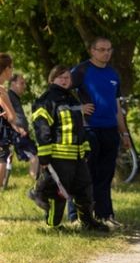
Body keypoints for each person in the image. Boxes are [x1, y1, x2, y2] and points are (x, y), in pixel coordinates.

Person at [31, 65, 109, 233]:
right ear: (52, 80)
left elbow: (80, 127)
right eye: (61, 77)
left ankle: (87, 222)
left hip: (77, 157)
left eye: (67, 77)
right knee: (58, 193)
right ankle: (53, 226)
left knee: (85, 189)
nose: (65, 80)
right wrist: (44, 155)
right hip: (59, 157)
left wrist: (86, 148)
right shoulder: (47, 100)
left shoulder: (72, 99)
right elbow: (42, 128)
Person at [72, 37, 131, 228]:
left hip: (110, 131)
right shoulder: (81, 71)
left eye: (109, 50)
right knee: (85, 175)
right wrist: (78, 108)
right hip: (88, 130)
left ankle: (105, 215)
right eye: (102, 49)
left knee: (106, 175)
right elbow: (60, 92)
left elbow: (117, 106)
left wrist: (124, 134)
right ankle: (78, 217)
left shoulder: (113, 73)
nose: (106, 53)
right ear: (92, 51)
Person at [0, 54, 29, 189]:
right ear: (6, 69)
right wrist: (12, 119)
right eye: (11, 68)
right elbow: (12, 116)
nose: (12, 71)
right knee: (1, 159)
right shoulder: (1, 91)